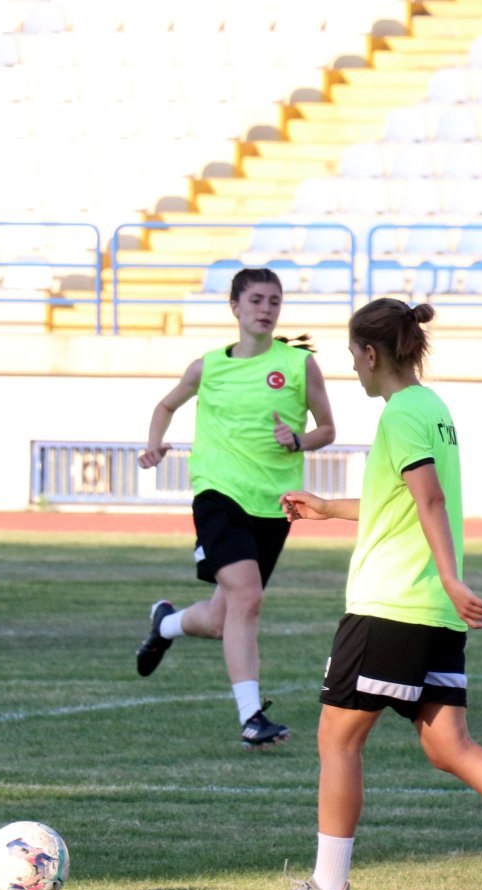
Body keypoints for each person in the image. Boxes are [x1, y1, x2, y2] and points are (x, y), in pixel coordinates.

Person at [253, 299, 482, 890]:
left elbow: (430, 501)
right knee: (448, 746)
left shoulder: (401, 414)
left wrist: (452, 576)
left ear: (371, 353)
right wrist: (329, 508)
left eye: (353, 355)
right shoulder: (431, 407)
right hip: (429, 610)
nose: (352, 368)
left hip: (392, 604)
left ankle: (329, 887)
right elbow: (405, 501)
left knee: (338, 739)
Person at [134, 267, 336, 749]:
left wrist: (298, 441)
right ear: (235, 307)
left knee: (226, 618)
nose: (266, 309)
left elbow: (327, 430)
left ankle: (165, 623)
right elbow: (166, 406)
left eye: (274, 302)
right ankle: (251, 718)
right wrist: (155, 445)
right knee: (248, 597)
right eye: (257, 301)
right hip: (217, 495)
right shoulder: (208, 366)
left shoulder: (297, 365)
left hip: (273, 505)